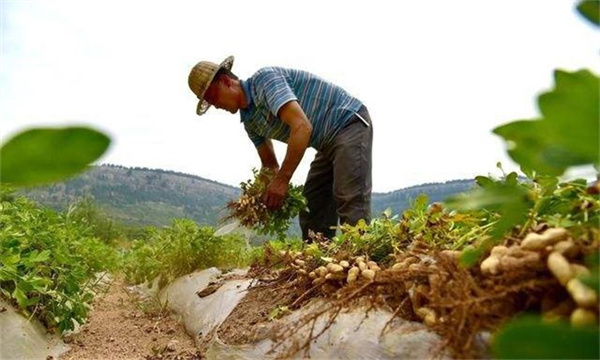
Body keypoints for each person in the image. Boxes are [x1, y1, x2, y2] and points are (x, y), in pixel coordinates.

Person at [188, 55, 373, 240]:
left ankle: (362, 255)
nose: (216, 106)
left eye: (212, 97)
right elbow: (269, 166)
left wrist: (282, 180)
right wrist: (255, 199)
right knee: (313, 204)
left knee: (348, 196)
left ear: (226, 81)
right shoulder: (250, 122)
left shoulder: (265, 81)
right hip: (326, 144)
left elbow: (302, 127)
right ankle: (320, 261)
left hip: (348, 123)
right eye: (210, 103)